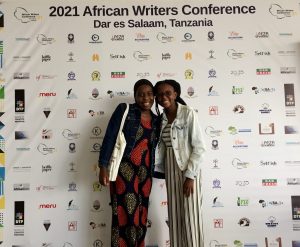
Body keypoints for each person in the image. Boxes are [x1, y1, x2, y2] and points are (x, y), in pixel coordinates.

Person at [98, 79, 160, 247]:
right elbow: (110, 137)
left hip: (145, 174)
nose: (145, 98)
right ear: (135, 96)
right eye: (140, 94)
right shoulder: (125, 110)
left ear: (154, 96)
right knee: (125, 213)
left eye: (149, 94)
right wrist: (102, 166)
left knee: (141, 214)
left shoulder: (157, 120)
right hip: (125, 170)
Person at [154, 79, 206, 247]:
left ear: (175, 94)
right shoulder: (160, 119)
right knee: (175, 218)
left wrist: (190, 176)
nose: (163, 97)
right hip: (170, 169)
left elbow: (199, 147)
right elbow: (162, 148)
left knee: (191, 218)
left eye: (167, 93)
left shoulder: (188, 113)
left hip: (187, 170)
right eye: (160, 94)